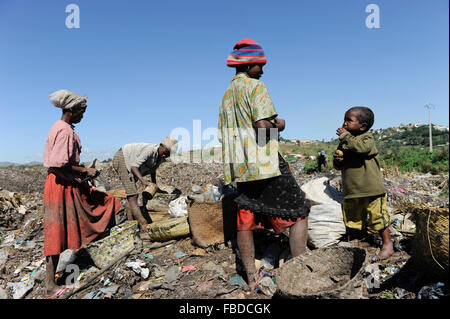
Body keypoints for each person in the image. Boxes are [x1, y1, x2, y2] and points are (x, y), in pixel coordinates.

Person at [218, 39, 310, 291]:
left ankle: (251, 277)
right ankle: (300, 273)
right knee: (300, 210)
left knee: (245, 218)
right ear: (249, 64)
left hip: (241, 167)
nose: (263, 70)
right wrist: (279, 124)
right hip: (264, 163)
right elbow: (262, 129)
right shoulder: (256, 87)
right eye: (260, 65)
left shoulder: (226, 96)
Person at [43, 89, 122, 298]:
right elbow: (59, 164)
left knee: (105, 202)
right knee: (56, 234)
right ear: (71, 109)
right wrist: (86, 171)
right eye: (81, 111)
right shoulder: (64, 130)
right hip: (60, 185)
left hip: (65, 182)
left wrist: (82, 171)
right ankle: (50, 286)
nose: (82, 115)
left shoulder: (61, 128)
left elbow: (65, 163)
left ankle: (95, 249)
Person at [333, 106, 393, 260]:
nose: (345, 123)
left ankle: (387, 244)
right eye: (344, 119)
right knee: (353, 219)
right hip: (352, 190)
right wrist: (338, 160)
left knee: (378, 217)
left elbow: (362, 148)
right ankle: (358, 242)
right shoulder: (345, 142)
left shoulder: (367, 138)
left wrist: (345, 137)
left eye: (349, 120)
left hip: (371, 190)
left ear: (363, 126)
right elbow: (339, 166)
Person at [112, 135, 178, 232]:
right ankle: (144, 225)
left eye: (167, 155)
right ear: (161, 146)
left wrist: (155, 186)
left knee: (131, 196)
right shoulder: (150, 150)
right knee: (133, 195)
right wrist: (143, 182)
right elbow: (134, 167)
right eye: (165, 152)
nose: (165, 156)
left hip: (130, 162)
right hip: (123, 158)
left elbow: (152, 171)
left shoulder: (159, 157)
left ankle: (130, 223)